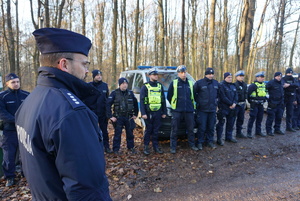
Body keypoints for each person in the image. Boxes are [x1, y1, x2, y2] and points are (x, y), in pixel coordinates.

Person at [15, 28, 112, 200]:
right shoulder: (70, 113)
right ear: (64, 64)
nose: (87, 71)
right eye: (84, 64)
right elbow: (87, 190)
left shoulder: (31, 101)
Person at [0, 73, 29, 187]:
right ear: (7, 83)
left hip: (25, 129)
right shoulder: (2, 97)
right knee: (8, 155)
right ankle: (10, 177)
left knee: (25, 153)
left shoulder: (26, 95)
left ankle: (25, 173)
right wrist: (17, 120)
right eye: (13, 82)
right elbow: (2, 113)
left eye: (17, 81)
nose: (16, 84)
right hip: (9, 131)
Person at [167, 65, 198, 153]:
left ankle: (192, 145)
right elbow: (169, 96)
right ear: (178, 74)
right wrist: (175, 106)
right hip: (177, 110)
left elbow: (194, 96)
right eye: (181, 72)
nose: (183, 74)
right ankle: (173, 147)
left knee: (191, 129)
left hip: (189, 110)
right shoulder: (174, 83)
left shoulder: (191, 83)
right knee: (174, 129)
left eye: (184, 72)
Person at [106, 77, 138, 154]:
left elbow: (135, 104)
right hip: (118, 117)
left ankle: (131, 148)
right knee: (117, 134)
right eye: (123, 84)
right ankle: (116, 149)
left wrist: (135, 114)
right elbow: (108, 104)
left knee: (130, 133)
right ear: (120, 84)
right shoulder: (114, 93)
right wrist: (110, 116)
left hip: (129, 117)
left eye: (126, 83)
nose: (125, 85)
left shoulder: (130, 93)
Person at [140, 67, 167, 155]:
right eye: (154, 75)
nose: (156, 76)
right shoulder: (145, 87)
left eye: (156, 75)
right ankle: (146, 147)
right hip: (148, 112)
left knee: (156, 130)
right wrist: (143, 113)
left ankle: (156, 147)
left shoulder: (159, 86)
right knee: (149, 130)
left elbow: (163, 100)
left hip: (158, 112)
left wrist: (164, 112)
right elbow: (142, 101)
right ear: (149, 76)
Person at [194, 67, 219, 150]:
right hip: (202, 110)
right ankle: (200, 142)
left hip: (212, 109)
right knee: (202, 127)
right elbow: (194, 94)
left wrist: (216, 104)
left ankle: (209, 141)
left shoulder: (216, 83)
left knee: (211, 127)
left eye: (212, 74)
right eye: (209, 74)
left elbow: (218, 95)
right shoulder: (199, 83)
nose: (211, 75)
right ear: (205, 74)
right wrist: (199, 103)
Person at [89, 69, 111, 153]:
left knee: (104, 131)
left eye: (100, 75)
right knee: (92, 131)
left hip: (102, 113)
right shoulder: (89, 86)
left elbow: (107, 100)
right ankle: (94, 147)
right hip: (92, 112)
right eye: (97, 75)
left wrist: (108, 113)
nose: (99, 76)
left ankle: (107, 146)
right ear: (94, 76)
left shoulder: (105, 86)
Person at [216, 72, 238, 146]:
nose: (230, 78)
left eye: (231, 77)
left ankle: (229, 137)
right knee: (221, 123)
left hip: (232, 108)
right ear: (225, 77)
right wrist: (231, 104)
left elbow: (236, 95)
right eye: (228, 77)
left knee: (231, 123)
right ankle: (219, 139)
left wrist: (234, 103)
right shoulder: (221, 85)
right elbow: (223, 97)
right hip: (224, 107)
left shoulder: (233, 86)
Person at [247, 71, 267, 138]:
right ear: (257, 77)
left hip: (261, 104)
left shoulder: (263, 85)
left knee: (260, 118)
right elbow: (248, 95)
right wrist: (251, 102)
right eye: (261, 77)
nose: (262, 78)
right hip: (254, 104)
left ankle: (258, 131)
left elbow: (264, 94)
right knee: (252, 118)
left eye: (263, 77)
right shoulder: (253, 85)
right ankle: (249, 132)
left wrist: (264, 100)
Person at [282, 68, 298, 132]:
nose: (290, 74)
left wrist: (289, 85)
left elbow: (297, 85)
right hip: (284, 97)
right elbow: (283, 85)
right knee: (280, 113)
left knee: (290, 113)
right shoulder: (283, 79)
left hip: (291, 98)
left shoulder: (293, 79)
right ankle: (277, 128)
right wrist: (292, 86)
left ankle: (289, 127)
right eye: (288, 73)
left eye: (291, 73)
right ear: (286, 73)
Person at [234, 70, 248, 138]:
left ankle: (239, 133)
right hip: (236, 104)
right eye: (240, 76)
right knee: (232, 120)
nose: (242, 77)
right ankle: (229, 134)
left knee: (241, 119)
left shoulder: (245, 85)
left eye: (242, 76)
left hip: (242, 104)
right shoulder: (234, 85)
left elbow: (245, 94)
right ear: (236, 77)